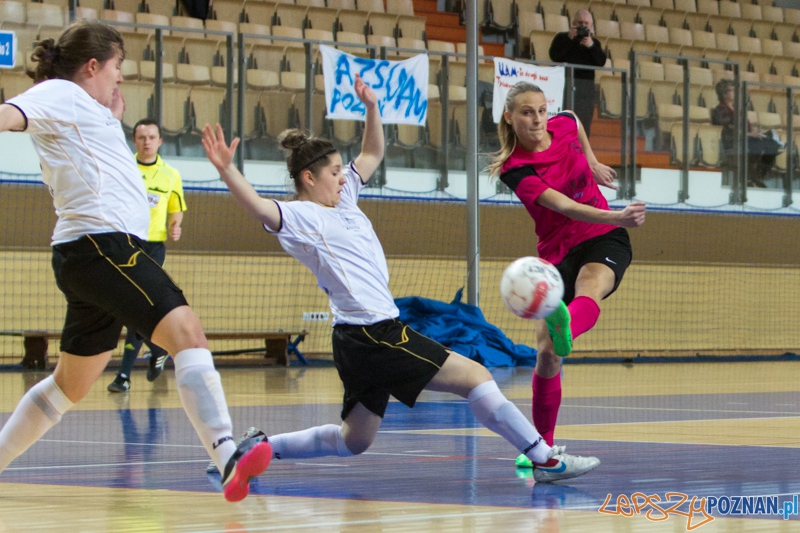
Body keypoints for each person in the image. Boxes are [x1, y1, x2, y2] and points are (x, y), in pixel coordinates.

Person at [201, 74, 600, 483]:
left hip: (356, 337)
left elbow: (372, 151)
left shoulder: (346, 197)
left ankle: (252, 449)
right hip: (374, 331)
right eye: (336, 171)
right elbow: (258, 208)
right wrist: (228, 170)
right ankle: (544, 458)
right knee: (476, 377)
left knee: (354, 440)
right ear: (309, 178)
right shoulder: (303, 216)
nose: (344, 176)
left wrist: (372, 107)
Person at [0, 20, 270, 502]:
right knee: (187, 331)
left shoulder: (89, 110)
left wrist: (112, 118)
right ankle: (227, 455)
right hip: (102, 246)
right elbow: (11, 115)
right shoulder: (61, 93)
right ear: (92, 65)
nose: (120, 77)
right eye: (117, 67)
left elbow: (92, 155)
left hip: (86, 253)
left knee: (68, 386)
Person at [486, 82, 646, 470]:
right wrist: (619, 214)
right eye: (527, 112)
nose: (538, 119)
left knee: (591, 286)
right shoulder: (515, 169)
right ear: (509, 117)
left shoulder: (564, 124)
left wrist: (590, 161)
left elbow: (574, 120)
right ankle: (542, 450)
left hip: (603, 238)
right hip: (558, 250)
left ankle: (566, 320)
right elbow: (565, 206)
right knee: (546, 354)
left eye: (541, 110)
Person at [108, 118, 186, 393]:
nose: (147, 142)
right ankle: (157, 349)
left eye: (152, 137)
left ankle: (124, 376)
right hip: (125, 242)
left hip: (152, 247)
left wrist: (176, 224)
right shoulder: (122, 167)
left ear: (160, 141)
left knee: (136, 304)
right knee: (129, 305)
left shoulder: (170, 174)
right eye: (142, 137)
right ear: (135, 141)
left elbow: (176, 205)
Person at [710, 78, 782, 188]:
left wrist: (753, 132)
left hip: (745, 139)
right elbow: (727, 130)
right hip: (731, 142)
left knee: (772, 145)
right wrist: (748, 134)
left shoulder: (738, 110)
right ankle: (751, 178)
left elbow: (746, 127)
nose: (736, 93)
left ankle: (757, 176)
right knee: (756, 145)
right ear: (724, 94)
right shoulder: (719, 110)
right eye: (732, 90)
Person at [549, 9, 606, 137]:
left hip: (585, 93)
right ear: (573, 23)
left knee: (583, 127)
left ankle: (581, 155)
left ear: (591, 27)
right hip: (564, 89)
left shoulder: (594, 43)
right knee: (562, 126)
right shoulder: (562, 37)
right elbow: (554, 56)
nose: (583, 26)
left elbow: (601, 61)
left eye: (586, 24)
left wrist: (590, 46)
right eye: (580, 23)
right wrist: (570, 40)